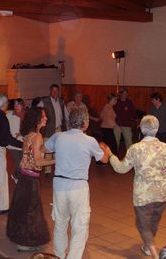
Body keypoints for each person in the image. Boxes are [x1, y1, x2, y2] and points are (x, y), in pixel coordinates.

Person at [104, 115, 166, 259]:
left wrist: (111, 155)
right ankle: (147, 246)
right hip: (163, 194)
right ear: (156, 129)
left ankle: (154, 254)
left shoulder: (135, 148)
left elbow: (121, 169)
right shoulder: (165, 148)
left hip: (143, 195)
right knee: (154, 221)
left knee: (143, 225)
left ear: (141, 128)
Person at [44, 108, 110, 259]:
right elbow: (105, 159)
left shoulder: (58, 136)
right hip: (78, 188)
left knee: (60, 224)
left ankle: (59, 256)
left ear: (69, 122)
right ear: (85, 123)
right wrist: (104, 148)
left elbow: (44, 148)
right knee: (79, 227)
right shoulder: (90, 141)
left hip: (59, 185)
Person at [6, 107, 54, 252]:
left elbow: (40, 152)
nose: (46, 118)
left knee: (24, 209)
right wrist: (57, 161)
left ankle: (24, 241)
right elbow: (38, 161)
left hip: (24, 177)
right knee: (31, 211)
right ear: (38, 119)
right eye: (44, 116)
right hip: (30, 179)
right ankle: (26, 242)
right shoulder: (37, 136)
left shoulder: (29, 135)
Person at [38, 84, 69, 174]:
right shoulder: (44, 101)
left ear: (58, 92)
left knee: (59, 149)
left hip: (59, 129)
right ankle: (47, 171)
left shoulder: (61, 102)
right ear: (50, 91)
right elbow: (37, 112)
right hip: (48, 130)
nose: (55, 92)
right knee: (48, 150)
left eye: (57, 91)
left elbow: (66, 115)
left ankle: (58, 168)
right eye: (53, 90)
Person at [6, 98, 26, 182]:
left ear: (23, 105)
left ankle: (16, 175)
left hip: (23, 142)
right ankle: (18, 178)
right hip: (13, 143)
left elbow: (29, 128)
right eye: (15, 104)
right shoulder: (8, 115)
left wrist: (22, 133)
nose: (16, 106)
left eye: (18, 104)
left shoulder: (26, 115)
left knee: (23, 163)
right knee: (18, 162)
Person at [113, 87, 137, 151]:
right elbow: (112, 112)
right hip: (116, 124)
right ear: (120, 94)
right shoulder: (116, 101)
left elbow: (133, 112)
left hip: (126, 124)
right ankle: (115, 156)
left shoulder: (129, 102)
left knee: (129, 142)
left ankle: (130, 157)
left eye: (126, 94)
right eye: (124, 94)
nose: (125, 95)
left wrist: (135, 118)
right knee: (116, 141)